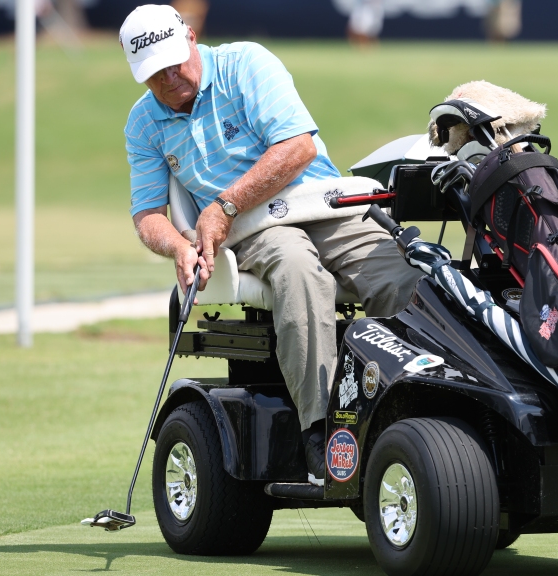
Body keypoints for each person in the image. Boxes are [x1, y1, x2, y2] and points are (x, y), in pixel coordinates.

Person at [119, 4, 422, 484]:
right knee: (299, 271)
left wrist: (224, 206)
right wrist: (179, 246)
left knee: (404, 277)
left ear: (192, 39)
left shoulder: (246, 65)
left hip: (318, 203)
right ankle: (321, 431)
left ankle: (424, 409)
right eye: (154, 73)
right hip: (255, 232)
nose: (169, 77)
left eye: (174, 62)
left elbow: (297, 148)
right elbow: (148, 215)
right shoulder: (143, 124)